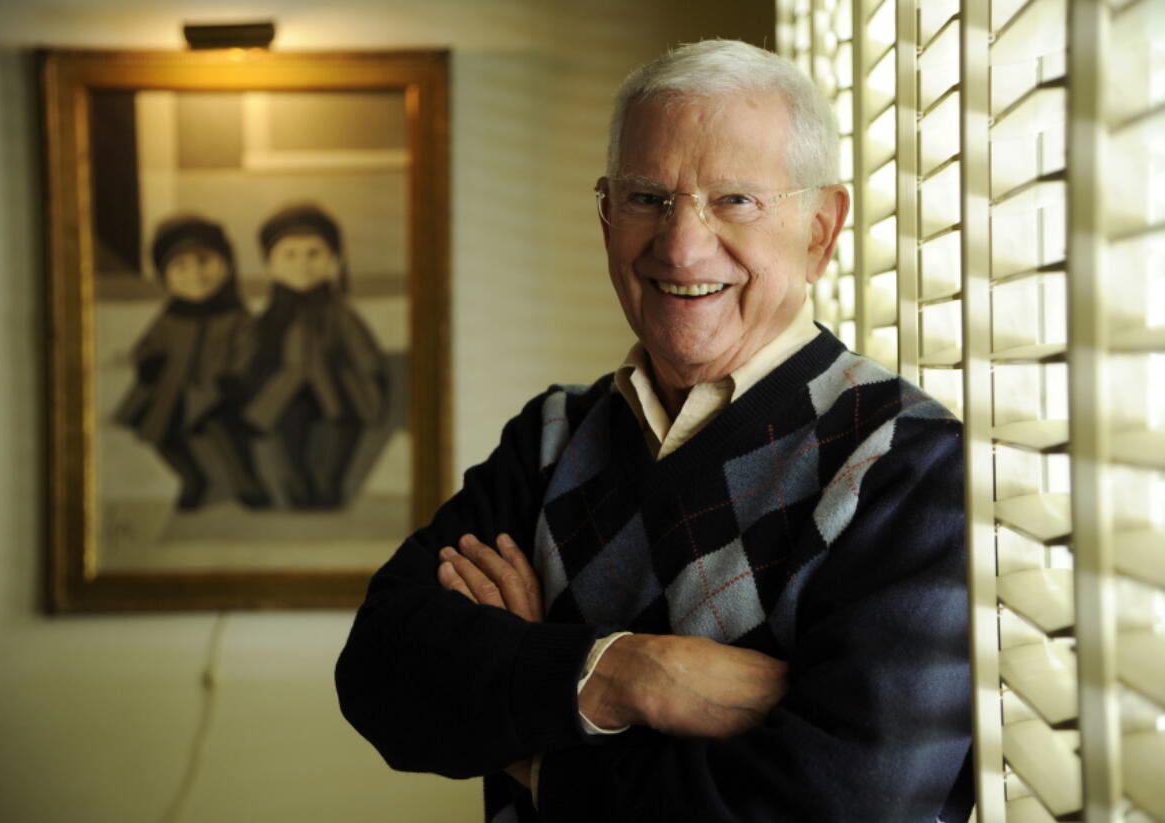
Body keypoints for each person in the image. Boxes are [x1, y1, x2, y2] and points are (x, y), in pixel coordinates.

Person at [336, 39, 972, 822]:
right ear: (606, 215)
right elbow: (379, 672)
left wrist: (533, 733)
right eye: (648, 198)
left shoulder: (909, 464)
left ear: (820, 229)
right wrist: (628, 672)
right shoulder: (550, 438)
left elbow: (845, 802)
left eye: (734, 199)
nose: (681, 245)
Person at [114, 215, 269, 510]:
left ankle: (247, 483)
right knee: (162, 436)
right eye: (180, 267)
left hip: (218, 393)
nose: (195, 274)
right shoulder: (170, 317)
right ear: (166, 278)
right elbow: (147, 346)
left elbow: (251, 348)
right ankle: (192, 477)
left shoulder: (235, 316)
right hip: (172, 392)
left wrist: (237, 377)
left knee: (228, 438)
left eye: (204, 262)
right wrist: (148, 362)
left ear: (226, 266)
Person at [244, 203, 394, 510]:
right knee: (288, 438)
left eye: (314, 254)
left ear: (333, 261)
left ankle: (330, 485)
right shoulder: (271, 316)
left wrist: (371, 378)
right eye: (290, 254)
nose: (303, 264)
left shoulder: (340, 314)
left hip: (338, 390)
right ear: (270, 264)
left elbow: (363, 350)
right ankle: (299, 488)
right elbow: (252, 352)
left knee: (338, 438)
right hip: (286, 394)